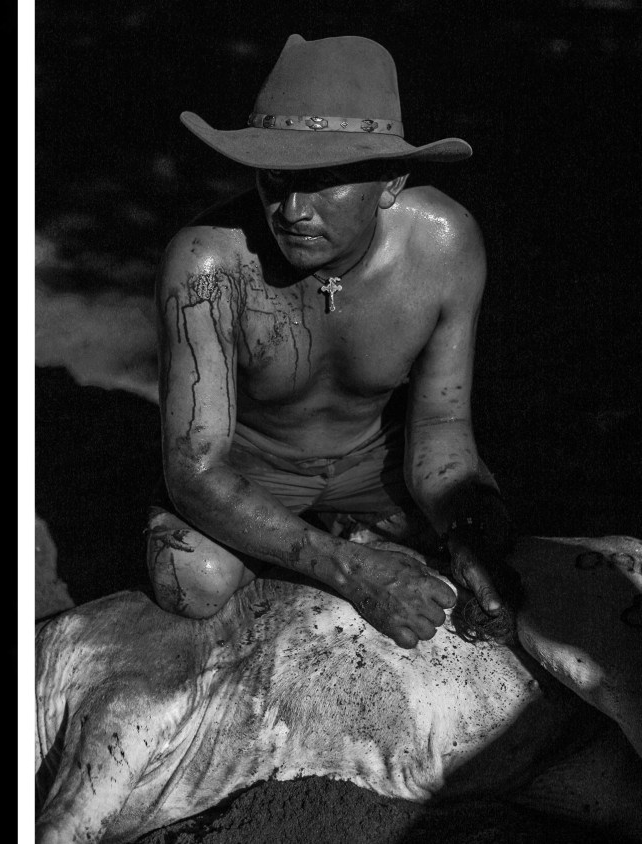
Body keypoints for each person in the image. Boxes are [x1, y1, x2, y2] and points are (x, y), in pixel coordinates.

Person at [148, 33, 515, 648]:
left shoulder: (443, 244)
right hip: (251, 467)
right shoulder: (207, 261)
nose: (292, 209)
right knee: (193, 580)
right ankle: (331, 542)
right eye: (274, 178)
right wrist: (348, 569)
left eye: (326, 181)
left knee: (489, 541)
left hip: (375, 460)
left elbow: (443, 421)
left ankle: (339, 529)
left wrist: (466, 533)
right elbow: (196, 467)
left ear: (392, 180)